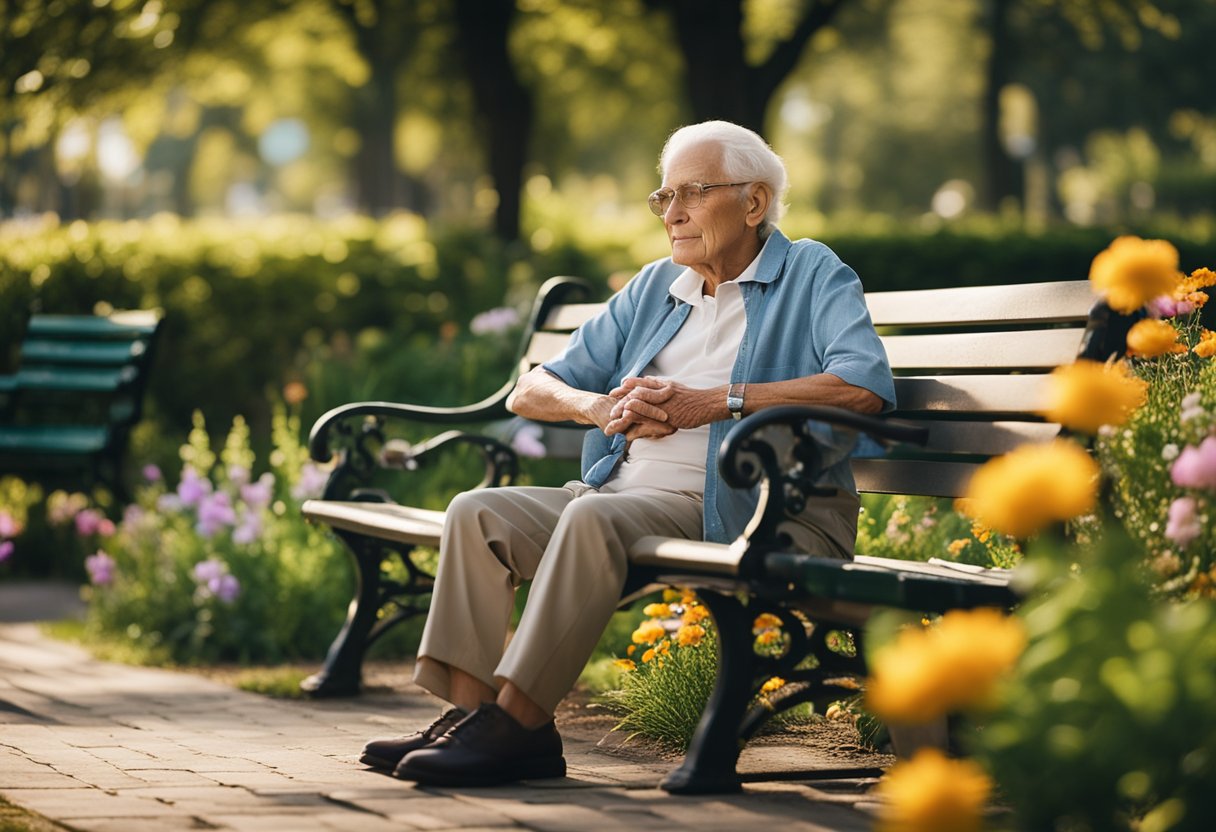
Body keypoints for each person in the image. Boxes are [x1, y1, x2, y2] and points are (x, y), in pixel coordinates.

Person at [359, 120, 895, 787]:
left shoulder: (811, 272)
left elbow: (863, 387)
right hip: (621, 497)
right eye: (663, 197)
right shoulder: (656, 288)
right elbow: (532, 387)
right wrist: (598, 407)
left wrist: (715, 401)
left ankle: (517, 721)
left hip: (758, 509)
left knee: (592, 520)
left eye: (693, 193)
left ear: (754, 203)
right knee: (478, 513)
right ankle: (481, 722)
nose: (672, 214)